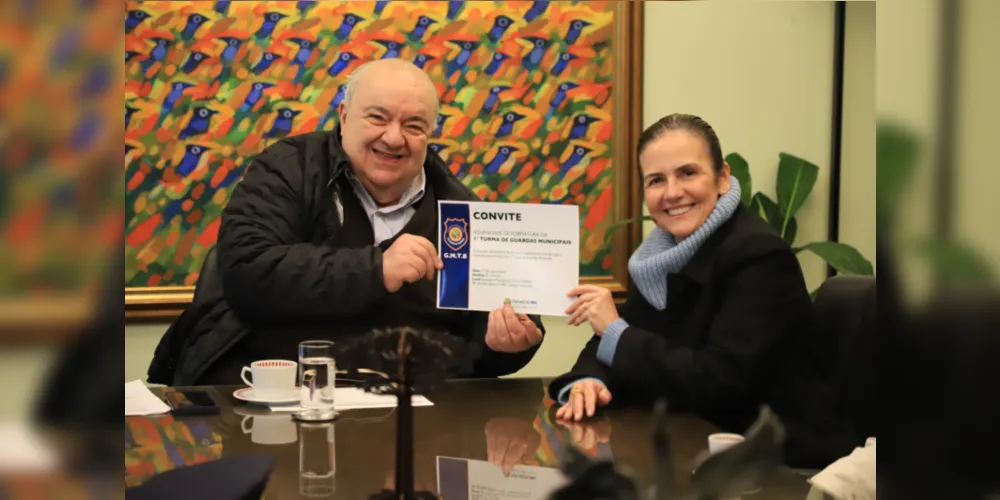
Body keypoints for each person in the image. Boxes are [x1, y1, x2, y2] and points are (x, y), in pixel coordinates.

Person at [148, 59, 544, 386]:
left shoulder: (459, 209)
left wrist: (504, 347)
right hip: (271, 398)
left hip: (410, 415)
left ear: (429, 135)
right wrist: (377, 268)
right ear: (343, 115)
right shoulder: (287, 169)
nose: (393, 137)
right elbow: (248, 272)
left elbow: (480, 344)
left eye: (413, 125)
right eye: (378, 117)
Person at [548, 113, 817, 437]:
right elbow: (610, 341)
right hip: (686, 444)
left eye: (688, 173)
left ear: (722, 178)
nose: (672, 193)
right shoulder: (659, 257)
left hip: (766, 463)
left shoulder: (760, 256)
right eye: (656, 180)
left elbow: (722, 384)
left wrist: (616, 332)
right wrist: (587, 381)